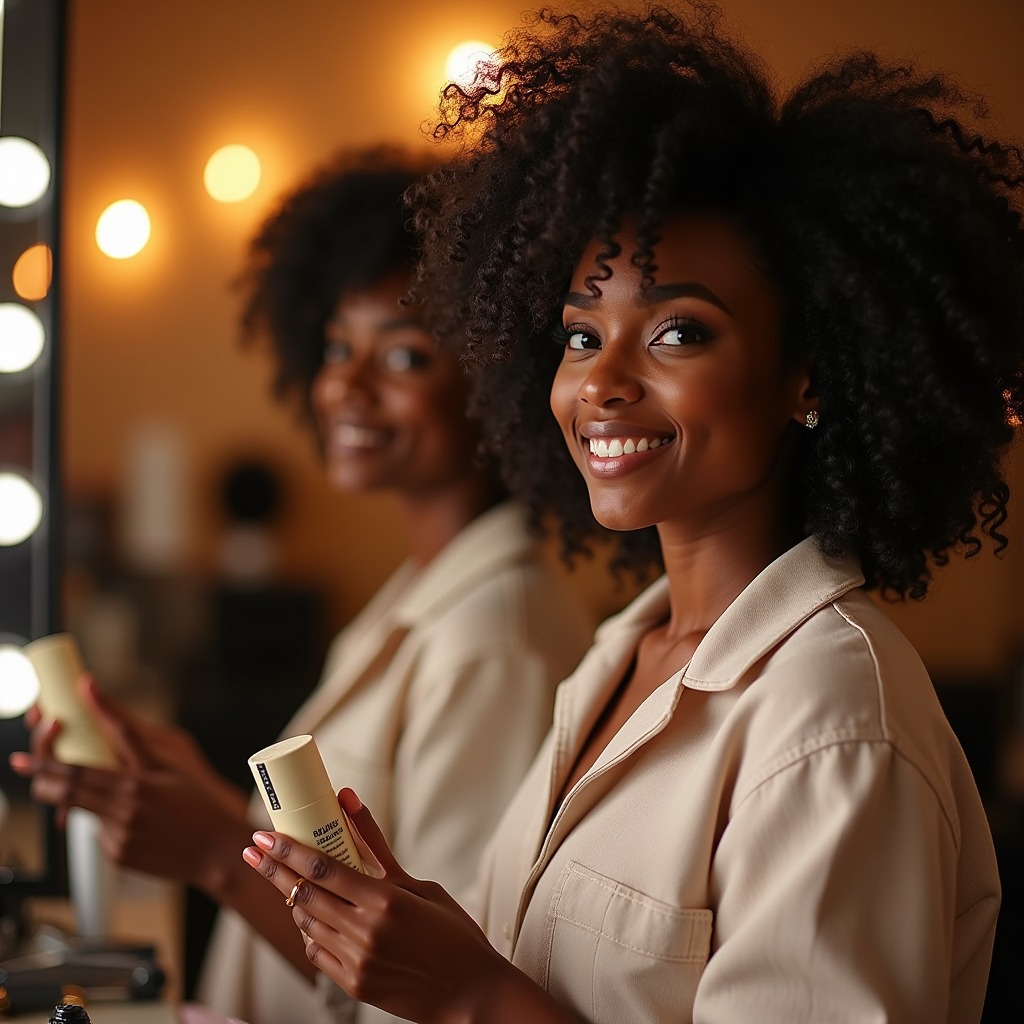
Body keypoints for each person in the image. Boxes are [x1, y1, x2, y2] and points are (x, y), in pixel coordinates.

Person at [240, 6, 1023, 1023]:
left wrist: (473, 992)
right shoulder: (618, 662)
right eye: (577, 337)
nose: (600, 382)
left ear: (808, 374)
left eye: (678, 332)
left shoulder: (833, 722)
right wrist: (410, 939)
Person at [11, 148, 595, 1024]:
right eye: (334, 346)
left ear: (496, 379)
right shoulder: (415, 595)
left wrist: (212, 850)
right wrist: (202, 797)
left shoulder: (496, 639)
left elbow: (424, 983)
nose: (345, 387)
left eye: (402, 358)